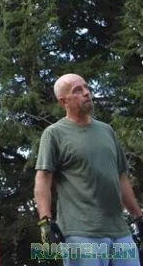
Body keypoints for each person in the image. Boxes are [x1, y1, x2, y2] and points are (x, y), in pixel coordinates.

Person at [34, 73, 143, 266]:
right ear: (63, 101)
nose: (86, 93)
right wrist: (45, 222)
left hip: (120, 231)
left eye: (86, 87)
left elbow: (120, 177)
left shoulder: (107, 131)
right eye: (77, 90)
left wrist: (138, 216)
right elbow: (43, 178)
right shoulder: (54, 134)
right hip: (81, 233)